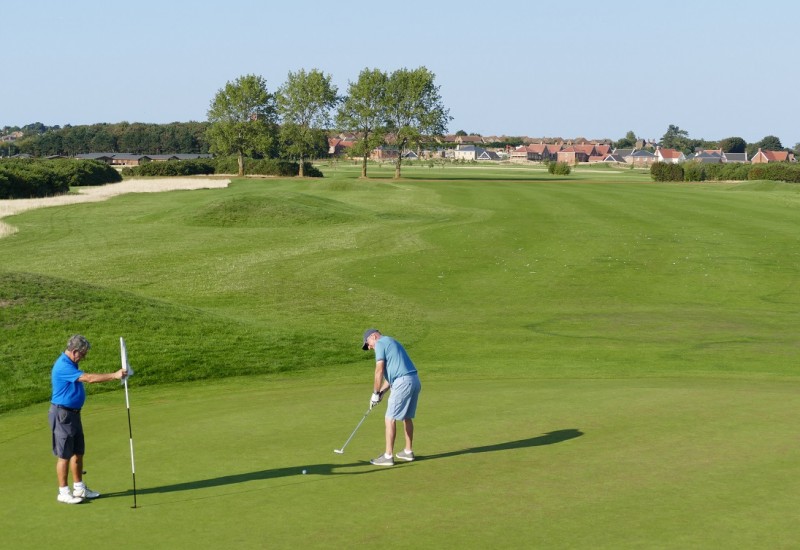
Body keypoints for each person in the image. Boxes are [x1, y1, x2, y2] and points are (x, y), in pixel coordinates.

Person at [49, 334, 125, 504]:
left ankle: (79, 488)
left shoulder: (72, 363)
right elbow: (89, 379)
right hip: (63, 414)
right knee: (64, 454)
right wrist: (114, 375)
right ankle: (63, 492)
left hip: (73, 414)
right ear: (74, 351)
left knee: (78, 452)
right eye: (83, 354)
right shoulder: (63, 365)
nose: (84, 357)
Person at [362, 329, 422, 466]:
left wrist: (375, 393)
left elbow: (379, 370)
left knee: (390, 418)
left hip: (403, 382)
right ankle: (408, 452)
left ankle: (388, 456)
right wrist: (381, 393)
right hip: (414, 380)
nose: (369, 347)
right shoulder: (391, 342)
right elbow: (392, 377)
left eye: (368, 343)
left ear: (374, 336)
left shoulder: (381, 344)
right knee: (407, 417)